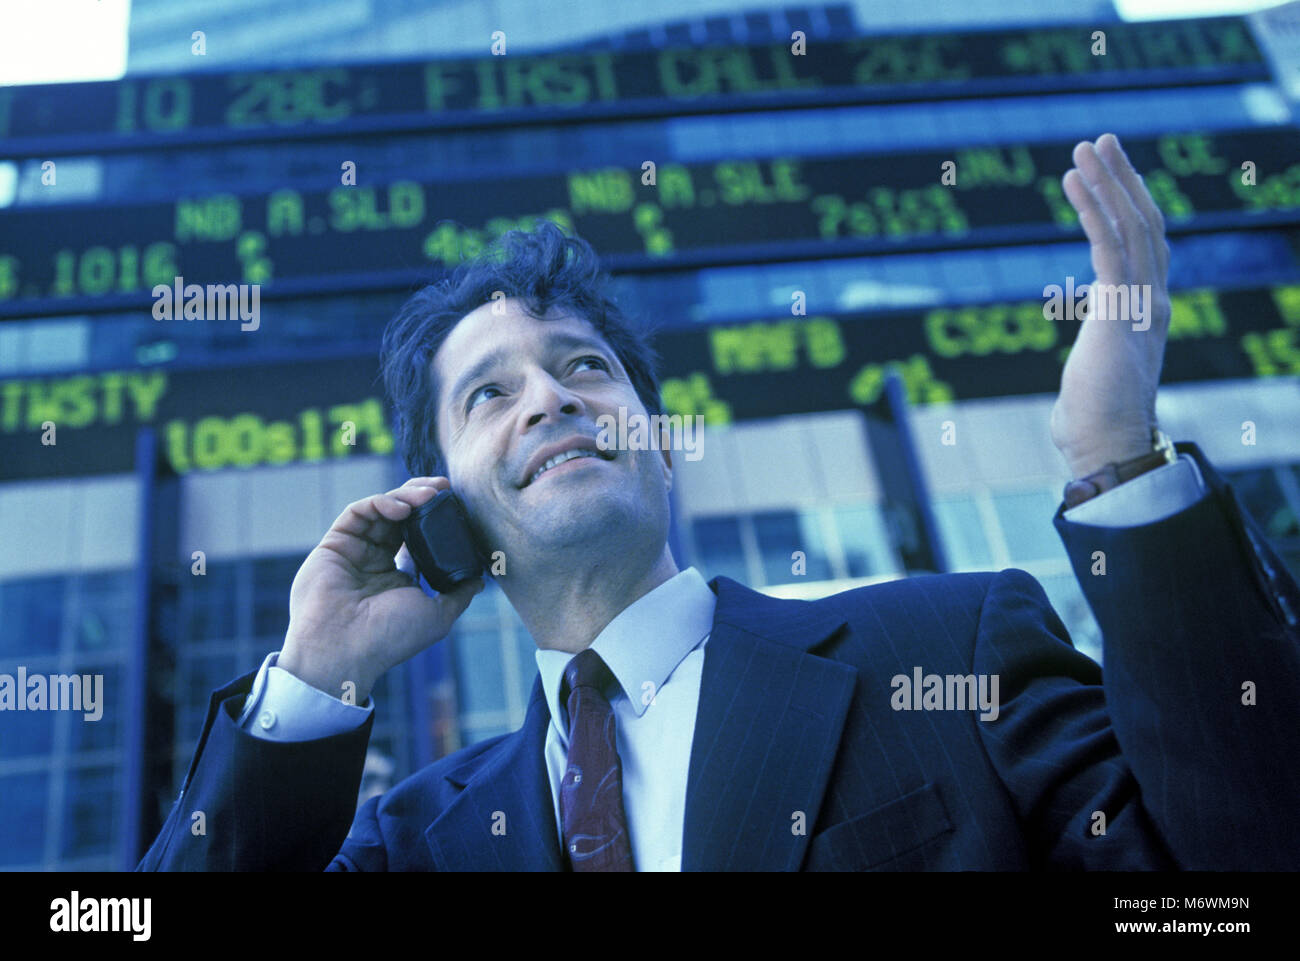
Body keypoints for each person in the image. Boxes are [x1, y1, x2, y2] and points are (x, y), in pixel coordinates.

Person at [138, 135, 1300, 871]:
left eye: (585, 367)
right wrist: (316, 675)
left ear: (660, 448)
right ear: (435, 505)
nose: (551, 397)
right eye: (489, 393)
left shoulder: (949, 650)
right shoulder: (417, 842)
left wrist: (1116, 461)